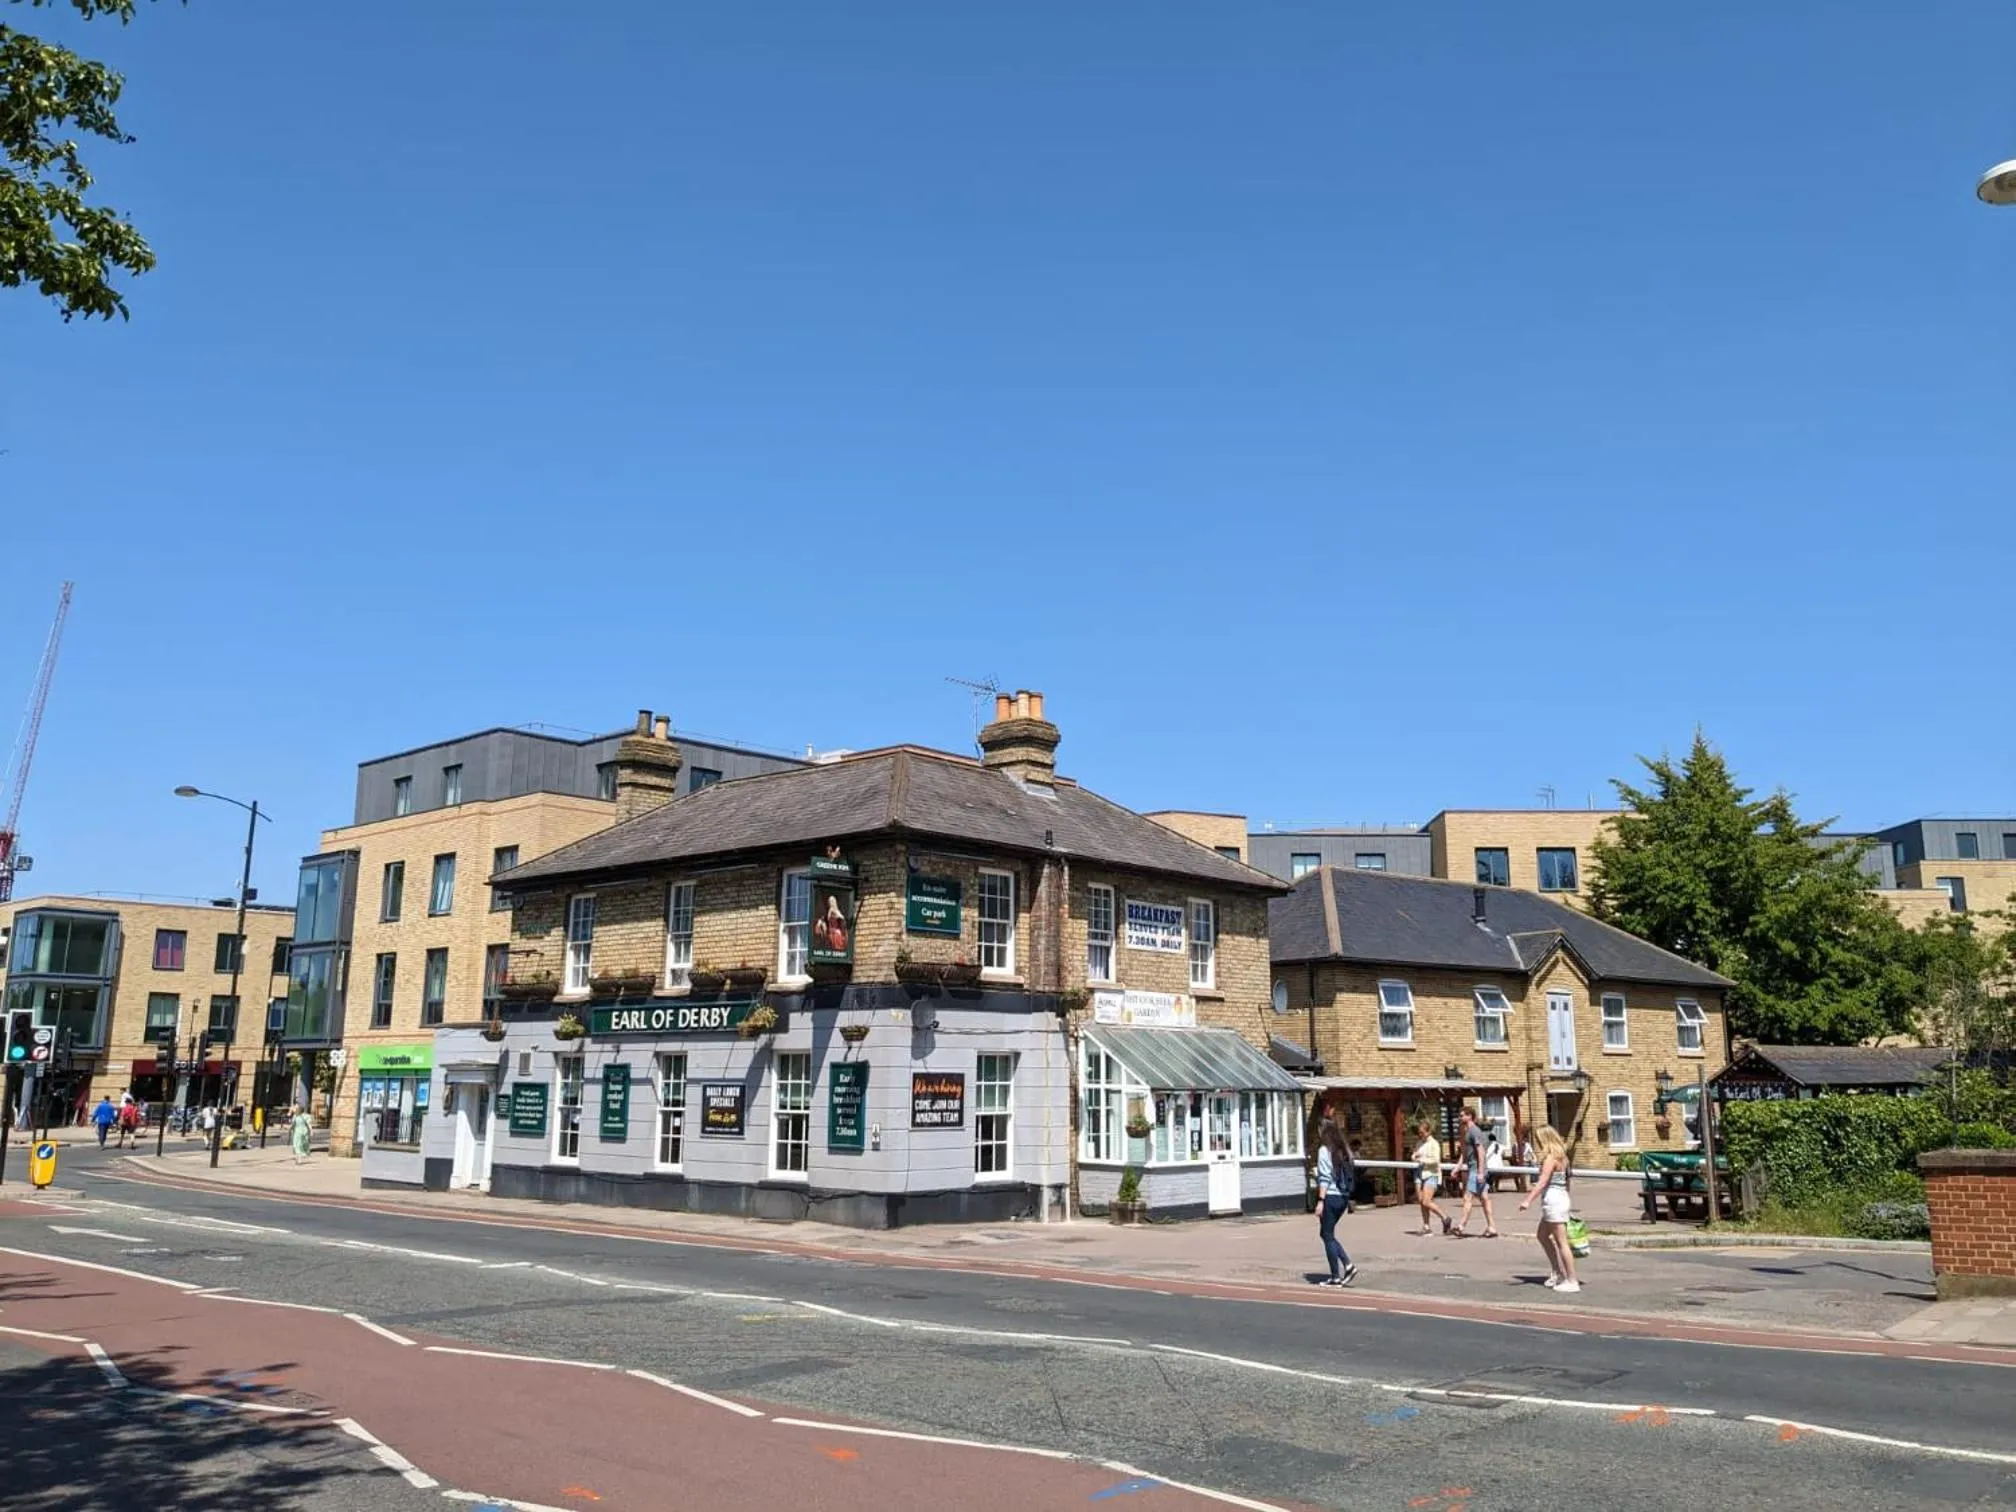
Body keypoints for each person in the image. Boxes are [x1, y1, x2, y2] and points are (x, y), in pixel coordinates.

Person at [1519, 1123, 1580, 1292]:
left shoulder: (1551, 1158)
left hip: (1553, 1200)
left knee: (1562, 1242)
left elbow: (1542, 1182)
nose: (1538, 1143)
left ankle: (1571, 1280)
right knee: (1542, 1235)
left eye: (1539, 1140)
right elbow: (1567, 1183)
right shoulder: (1564, 1158)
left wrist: (1527, 1200)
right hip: (1560, 1198)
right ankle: (1558, 1272)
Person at [1311, 1121, 1357, 1287]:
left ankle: (1338, 1273)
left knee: (1327, 1235)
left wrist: (1320, 1201)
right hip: (1343, 1198)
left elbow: (1325, 1177)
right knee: (1326, 1234)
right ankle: (1346, 1267)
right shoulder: (1344, 1150)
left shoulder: (1324, 1151)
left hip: (1330, 1196)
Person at [1452, 1108, 1500, 1237]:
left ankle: (1461, 1226)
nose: (1460, 1118)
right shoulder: (1468, 1132)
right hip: (1475, 1168)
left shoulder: (1475, 1131)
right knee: (1484, 1199)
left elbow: (1481, 1152)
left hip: (1476, 1169)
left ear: (1470, 1116)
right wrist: (1458, 1167)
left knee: (1468, 1197)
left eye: (1462, 1115)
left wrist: (1480, 1172)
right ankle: (1492, 1227)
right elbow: (1466, 1153)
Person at [1412, 1120, 1453, 1235]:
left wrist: (1422, 1160)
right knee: (1421, 1201)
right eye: (1419, 1133)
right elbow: (1415, 1154)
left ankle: (1445, 1217)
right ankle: (1426, 1226)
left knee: (1426, 1201)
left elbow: (1435, 1160)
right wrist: (1414, 1156)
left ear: (1428, 1131)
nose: (1420, 1135)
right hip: (1419, 1172)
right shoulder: (1419, 1143)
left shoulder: (1434, 1144)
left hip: (1431, 1173)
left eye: (1422, 1133)